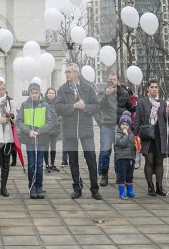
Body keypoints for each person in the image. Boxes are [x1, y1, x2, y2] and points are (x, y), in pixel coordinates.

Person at [55, 63, 102, 200]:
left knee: (91, 159)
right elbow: (58, 107)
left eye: (69, 72)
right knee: (73, 161)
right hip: (69, 131)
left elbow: (96, 106)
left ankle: (95, 189)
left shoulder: (88, 88)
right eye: (66, 72)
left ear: (76, 73)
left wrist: (85, 107)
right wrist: (73, 106)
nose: (66, 74)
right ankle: (77, 188)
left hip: (86, 130)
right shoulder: (62, 89)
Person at [17, 82, 56, 199]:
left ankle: (39, 186)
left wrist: (39, 131)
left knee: (39, 164)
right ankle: (32, 187)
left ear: (39, 93)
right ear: (29, 93)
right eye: (32, 93)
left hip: (41, 139)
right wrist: (29, 131)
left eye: (36, 93)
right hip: (30, 139)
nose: (34, 95)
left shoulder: (45, 105)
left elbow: (50, 122)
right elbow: (19, 121)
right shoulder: (24, 105)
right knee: (32, 164)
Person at [134, 79, 169, 197]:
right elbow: (138, 120)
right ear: (148, 89)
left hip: (160, 136)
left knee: (159, 161)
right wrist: (136, 137)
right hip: (147, 136)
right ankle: (150, 186)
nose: (154, 89)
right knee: (149, 161)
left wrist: (168, 113)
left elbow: (167, 121)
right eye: (152, 87)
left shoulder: (163, 102)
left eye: (156, 87)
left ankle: (159, 187)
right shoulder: (141, 102)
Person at [98, 71, 129, 187]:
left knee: (119, 152)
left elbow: (129, 107)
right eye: (110, 80)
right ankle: (104, 175)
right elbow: (98, 106)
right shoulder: (102, 92)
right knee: (105, 152)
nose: (112, 82)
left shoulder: (124, 93)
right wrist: (106, 95)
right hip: (107, 126)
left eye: (114, 80)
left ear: (118, 81)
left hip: (119, 126)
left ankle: (119, 175)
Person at [114, 113, 137, 199]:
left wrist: (137, 144)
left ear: (130, 126)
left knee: (130, 176)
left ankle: (130, 191)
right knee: (122, 176)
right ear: (120, 125)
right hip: (121, 159)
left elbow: (133, 145)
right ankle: (122, 193)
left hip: (130, 158)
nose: (125, 126)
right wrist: (126, 135)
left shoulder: (132, 134)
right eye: (123, 124)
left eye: (127, 125)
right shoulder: (118, 134)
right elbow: (122, 143)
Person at [43, 87, 60, 172]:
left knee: (53, 147)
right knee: (46, 147)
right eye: (50, 93)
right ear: (46, 94)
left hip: (55, 129)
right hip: (46, 129)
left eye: (53, 93)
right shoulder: (43, 103)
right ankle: (46, 165)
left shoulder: (58, 103)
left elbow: (61, 114)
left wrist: (59, 119)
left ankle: (52, 164)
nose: (51, 95)